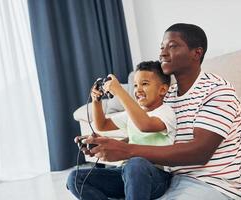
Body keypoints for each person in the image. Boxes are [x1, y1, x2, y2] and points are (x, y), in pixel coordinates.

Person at [69, 23, 241, 200]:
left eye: (172, 46)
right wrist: (105, 145)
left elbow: (200, 152)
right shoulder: (166, 96)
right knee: (77, 180)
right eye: (162, 47)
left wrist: (126, 149)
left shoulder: (217, 91)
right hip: (168, 178)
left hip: (209, 183)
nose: (162, 53)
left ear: (197, 53)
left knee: (136, 164)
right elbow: (150, 139)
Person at [67, 61, 176, 200]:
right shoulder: (132, 113)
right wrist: (96, 101)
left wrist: (119, 91)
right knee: (75, 178)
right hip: (126, 173)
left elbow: (145, 125)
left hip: (156, 177)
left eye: (145, 84)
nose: (138, 89)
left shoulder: (165, 112)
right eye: (135, 85)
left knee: (136, 163)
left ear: (162, 90)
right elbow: (102, 125)